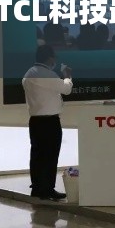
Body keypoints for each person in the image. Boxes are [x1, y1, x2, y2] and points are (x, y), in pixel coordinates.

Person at [22, 45, 73, 200]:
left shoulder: (28, 74)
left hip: (35, 121)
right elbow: (66, 89)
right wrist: (67, 76)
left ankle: (37, 188)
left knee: (37, 156)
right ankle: (48, 189)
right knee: (50, 156)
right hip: (50, 122)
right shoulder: (47, 74)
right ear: (50, 58)